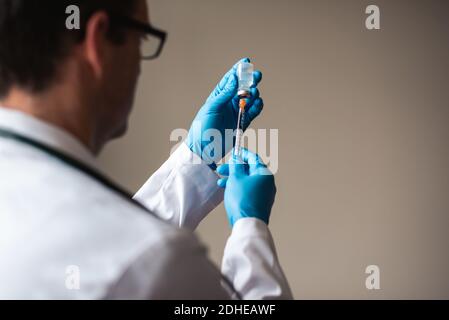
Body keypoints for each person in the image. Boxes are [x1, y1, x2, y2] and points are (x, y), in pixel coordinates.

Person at [0, 0, 292, 299]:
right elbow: (135, 258)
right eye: (141, 39)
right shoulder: (156, 261)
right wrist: (250, 228)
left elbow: (107, 242)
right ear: (98, 40)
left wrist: (197, 157)